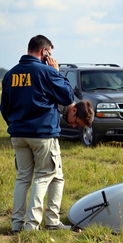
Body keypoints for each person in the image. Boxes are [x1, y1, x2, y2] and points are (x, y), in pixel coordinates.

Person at [0, 35, 82, 232]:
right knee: (43, 176)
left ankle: (17, 224)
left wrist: (15, 125)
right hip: (43, 134)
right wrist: (57, 72)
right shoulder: (47, 71)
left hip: (18, 134)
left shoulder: (11, 74)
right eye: (50, 53)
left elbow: (4, 108)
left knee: (23, 178)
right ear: (44, 52)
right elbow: (67, 96)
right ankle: (32, 225)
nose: (51, 56)